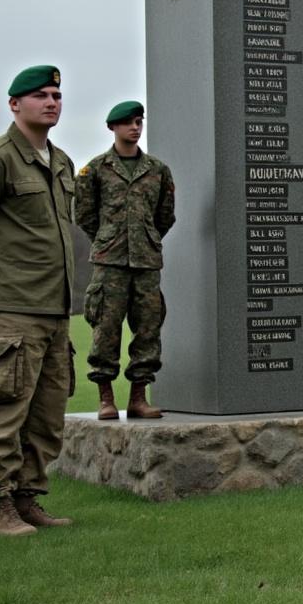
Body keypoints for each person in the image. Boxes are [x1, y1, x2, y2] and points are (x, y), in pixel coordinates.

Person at [0, 65, 77, 535]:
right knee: (4, 413)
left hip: (56, 308)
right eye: (41, 95)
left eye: (57, 95)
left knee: (46, 416)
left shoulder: (61, 162)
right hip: (13, 310)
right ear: (15, 104)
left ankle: (27, 498)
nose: (52, 102)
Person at [75, 100, 176, 420]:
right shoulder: (94, 170)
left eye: (139, 121)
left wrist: (144, 239)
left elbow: (165, 216)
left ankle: (138, 398)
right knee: (105, 328)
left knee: (148, 329)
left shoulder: (158, 170)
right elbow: (85, 215)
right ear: (112, 127)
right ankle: (105, 398)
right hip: (110, 263)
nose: (135, 127)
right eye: (129, 122)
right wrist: (109, 240)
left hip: (146, 263)